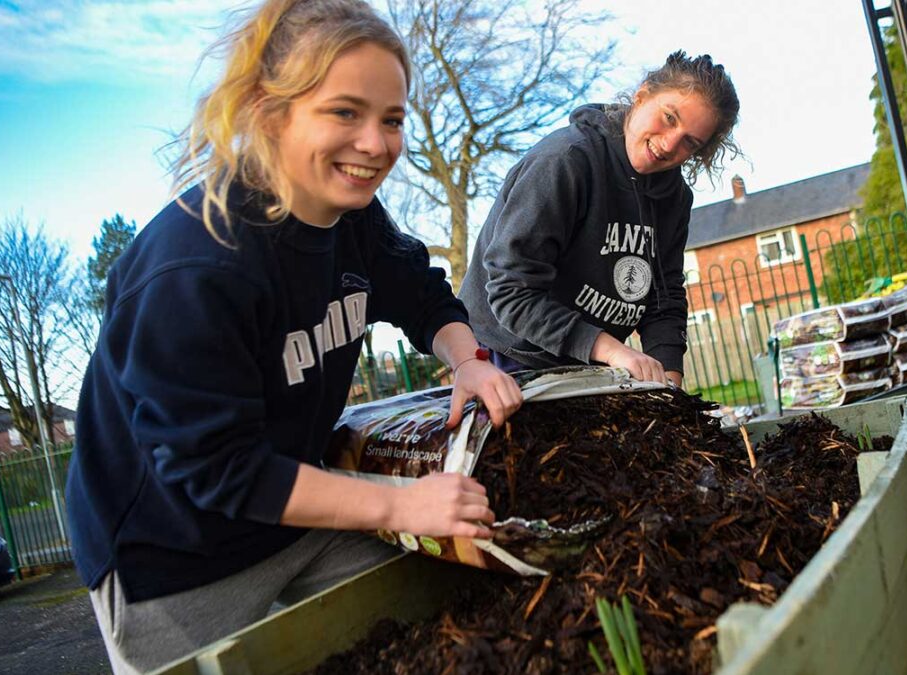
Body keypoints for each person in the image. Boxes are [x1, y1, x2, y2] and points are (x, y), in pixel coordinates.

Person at [65, 1, 522, 671]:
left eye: (391, 119)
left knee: (430, 626)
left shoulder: (352, 218)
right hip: (172, 551)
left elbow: (418, 291)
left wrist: (467, 360)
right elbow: (216, 468)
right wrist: (401, 502)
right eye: (345, 112)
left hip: (303, 508)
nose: (376, 143)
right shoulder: (193, 266)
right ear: (267, 109)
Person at [459, 51, 740, 387]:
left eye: (690, 143)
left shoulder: (674, 198)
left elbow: (663, 298)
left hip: (588, 361)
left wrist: (669, 380)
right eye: (668, 118)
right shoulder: (564, 161)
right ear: (642, 95)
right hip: (507, 356)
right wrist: (614, 351)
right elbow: (511, 291)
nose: (668, 145)